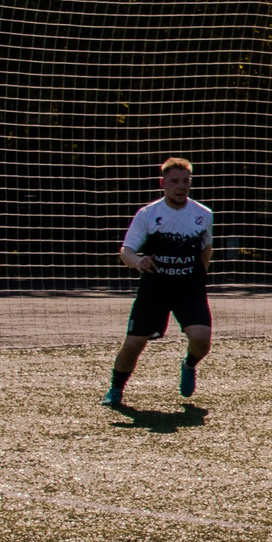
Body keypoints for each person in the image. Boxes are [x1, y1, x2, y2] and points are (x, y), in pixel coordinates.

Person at [107, 157, 212, 406]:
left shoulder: (203, 214)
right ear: (162, 183)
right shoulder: (148, 214)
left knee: (202, 340)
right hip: (155, 288)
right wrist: (138, 262)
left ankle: (188, 365)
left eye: (185, 181)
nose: (181, 186)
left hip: (188, 288)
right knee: (134, 343)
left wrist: (199, 276)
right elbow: (126, 251)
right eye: (174, 181)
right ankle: (115, 389)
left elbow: (206, 249)